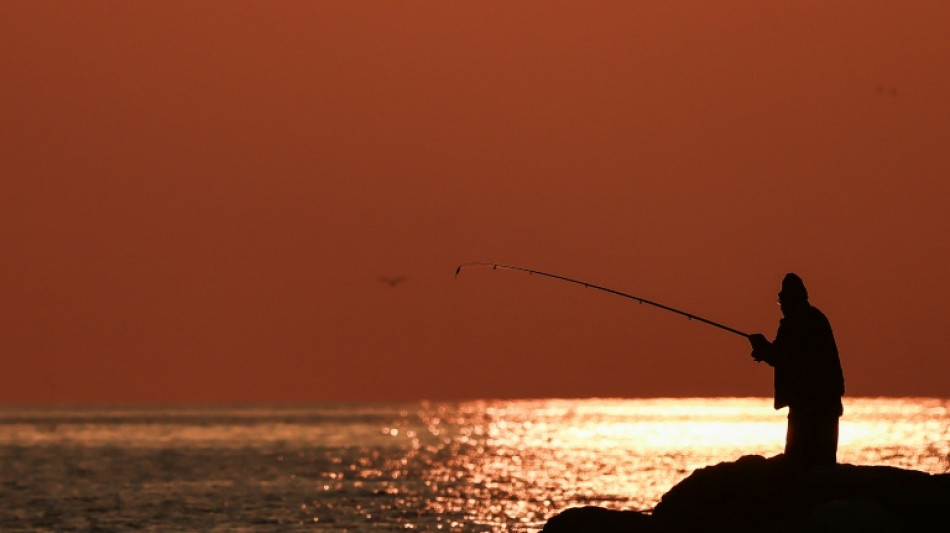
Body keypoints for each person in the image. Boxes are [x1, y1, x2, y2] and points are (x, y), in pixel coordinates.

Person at [749, 273, 845, 470]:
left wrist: (763, 349)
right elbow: (786, 355)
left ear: (793, 300)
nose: (782, 306)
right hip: (825, 405)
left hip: (809, 407)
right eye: (780, 302)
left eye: (782, 301)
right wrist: (765, 349)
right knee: (822, 465)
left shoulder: (796, 323)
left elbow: (784, 356)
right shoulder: (815, 319)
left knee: (799, 463)